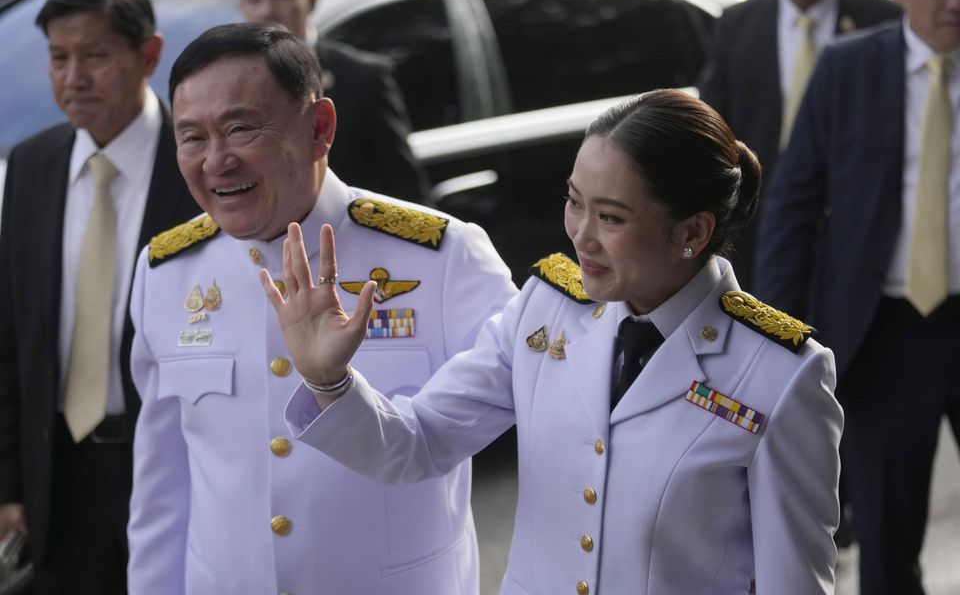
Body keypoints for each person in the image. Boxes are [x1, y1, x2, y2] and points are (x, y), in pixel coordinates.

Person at [269, 89, 844, 594]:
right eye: (574, 202)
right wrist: (330, 382)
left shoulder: (781, 375)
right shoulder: (544, 310)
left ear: (692, 231)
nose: (580, 236)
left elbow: (794, 582)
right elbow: (417, 443)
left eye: (611, 218)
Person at [125, 22, 516, 594]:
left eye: (241, 129)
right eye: (191, 138)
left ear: (320, 127)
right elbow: (163, 485)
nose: (216, 161)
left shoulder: (441, 255)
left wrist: (337, 390)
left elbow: (504, 415)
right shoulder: (166, 271)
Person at [755, 0, 960, 591]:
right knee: (887, 533)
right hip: (888, 334)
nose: (956, 1)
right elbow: (792, 204)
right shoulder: (849, 69)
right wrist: (776, 333)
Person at [0, 0, 200, 594]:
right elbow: (11, 337)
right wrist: (11, 485)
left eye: (94, 56)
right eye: (58, 59)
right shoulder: (31, 166)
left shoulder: (198, 164)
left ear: (148, 55)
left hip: (173, 464)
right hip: (59, 470)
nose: (72, 78)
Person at [698, 0, 900, 289]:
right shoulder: (738, 23)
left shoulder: (880, 19)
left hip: (854, 221)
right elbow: (712, 124)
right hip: (758, 220)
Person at [238, 0, 431, 204]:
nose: (267, 10)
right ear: (242, 6)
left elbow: (406, 190)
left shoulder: (363, 78)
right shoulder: (233, 87)